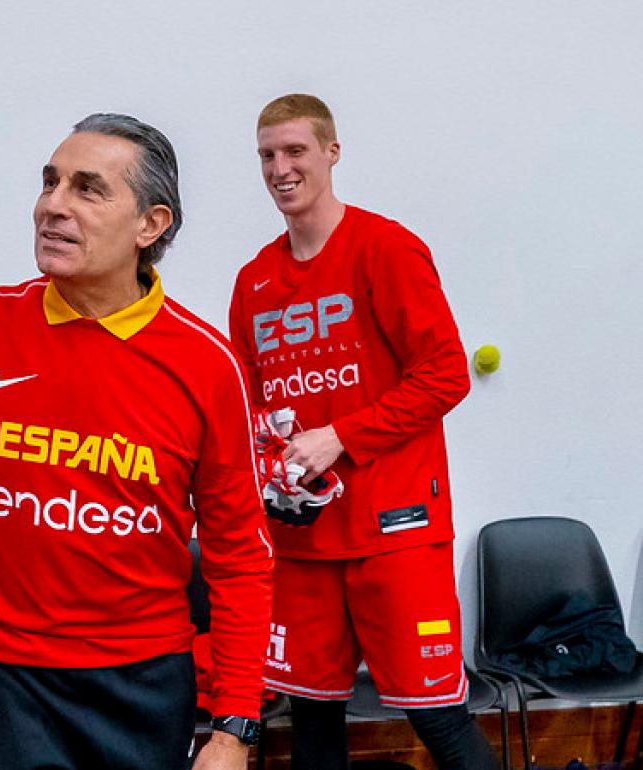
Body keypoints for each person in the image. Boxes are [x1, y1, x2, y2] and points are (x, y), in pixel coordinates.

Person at [0, 113, 273, 770]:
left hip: (143, 685)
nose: (52, 207)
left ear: (151, 225)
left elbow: (241, 558)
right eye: (50, 183)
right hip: (2, 679)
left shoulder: (208, 364)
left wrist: (235, 729)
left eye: (88, 189)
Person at [228, 93, 498, 770]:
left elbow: (445, 376)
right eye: (267, 155)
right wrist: (267, 459)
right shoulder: (253, 281)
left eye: (294, 151)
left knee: (437, 717)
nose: (280, 168)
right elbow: (248, 405)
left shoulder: (386, 248)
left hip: (396, 533)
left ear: (331, 152)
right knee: (312, 724)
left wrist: (338, 437)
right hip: (303, 542)